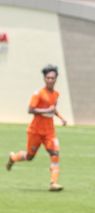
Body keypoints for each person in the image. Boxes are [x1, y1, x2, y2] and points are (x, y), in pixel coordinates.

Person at [6, 64, 67, 192]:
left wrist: (61, 117)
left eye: (52, 78)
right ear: (44, 79)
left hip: (49, 131)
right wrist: (46, 109)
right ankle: (13, 158)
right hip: (35, 131)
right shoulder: (38, 93)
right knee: (29, 157)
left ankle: (53, 183)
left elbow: (53, 109)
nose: (50, 80)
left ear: (56, 79)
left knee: (55, 153)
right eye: (48, 78)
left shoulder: (56, 94)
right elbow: (30, 110)